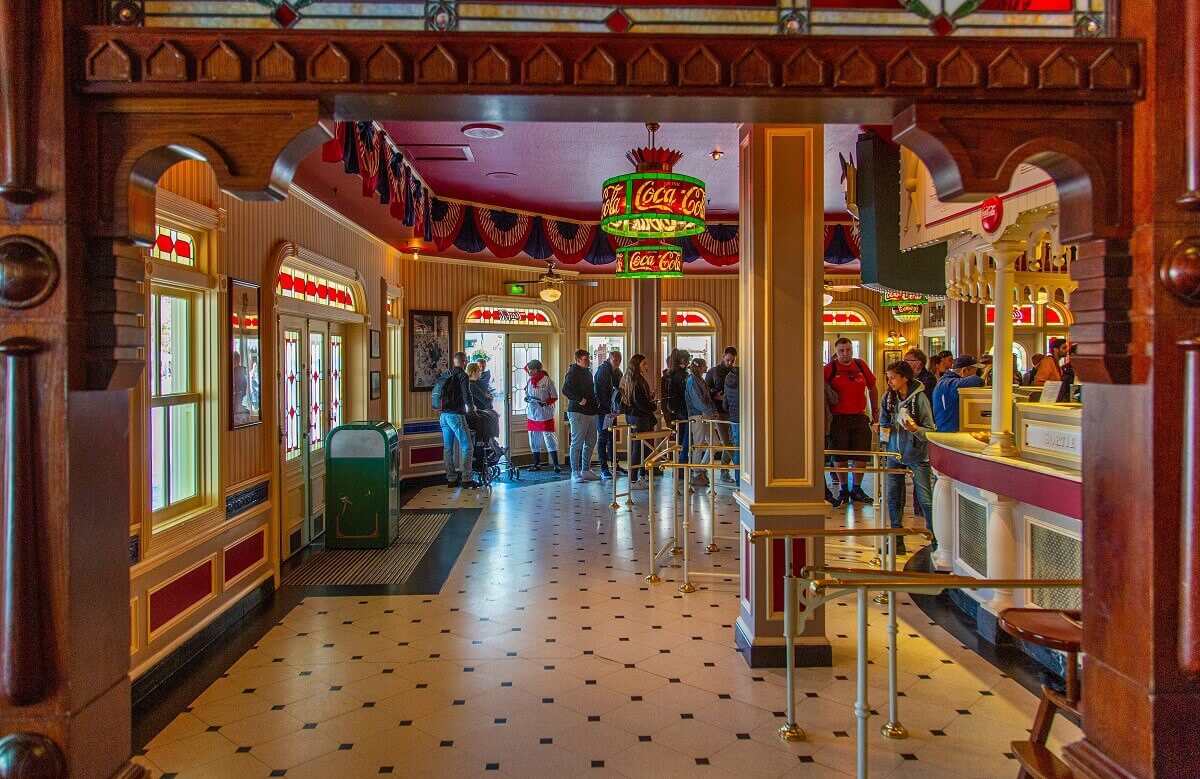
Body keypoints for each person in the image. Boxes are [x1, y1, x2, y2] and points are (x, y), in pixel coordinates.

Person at [879, 360, 936, 555]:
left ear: (905, 378)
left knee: (925, 498)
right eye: (888, 378)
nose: (890, 382)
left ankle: (935, 538)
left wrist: (914, 429)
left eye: (893, 378)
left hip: (917, 455)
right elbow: (884, 422)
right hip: (894, 453)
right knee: (893, 498)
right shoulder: (888, 398)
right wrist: (883, 432)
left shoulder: (919, 400)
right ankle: (897, 540)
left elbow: (930, 430)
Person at [824, 338, 880, 505]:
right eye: (842, 350)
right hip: (838, 418)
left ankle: (857, 488)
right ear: (836, 352)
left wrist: (875, 410)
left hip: (859, 416)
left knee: (861, 454)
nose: (846, 353)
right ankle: (843, 488)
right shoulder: (830, 369)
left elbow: (872, 387)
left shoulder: (860, 365)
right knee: (839, 455)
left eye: (848, 349)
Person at [562, 349, 601, 483]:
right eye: (585, 359)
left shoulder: (588, 373)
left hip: (591, 411)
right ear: (578, 360)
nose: (588, 361)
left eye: (588, 358)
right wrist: (579, 399)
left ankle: (586, 469)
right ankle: (575, 472)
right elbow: (565, 390)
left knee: (590, 442)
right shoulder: (572, 373)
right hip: (578, 411)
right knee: (577, 443)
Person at [619, 353, 658, 485]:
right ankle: (636, 478)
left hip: (633, 417)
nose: (646, 366)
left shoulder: (628, 379)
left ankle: (639, 476)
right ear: (637, 366)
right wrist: (653, 405)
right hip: (640, 418)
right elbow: (641, 403)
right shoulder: (637, 381)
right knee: (641, 448)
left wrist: (649, 397)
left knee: (639, 448)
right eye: (644, 364)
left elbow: (637, 400)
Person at [437, 352, 474, 489]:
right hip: (456, 416)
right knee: (467, 446)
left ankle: (451, 479)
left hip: (443, 416)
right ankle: (466, 478)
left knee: (448, 448)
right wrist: (471, 407)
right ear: (464, 362)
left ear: (454, 362)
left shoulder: (447, 375)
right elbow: (466, 395)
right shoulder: (462, 375)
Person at [685, 357, 719, 486]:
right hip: (696, 415)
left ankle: (701, 467)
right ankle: (696, 473)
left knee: (714, 442)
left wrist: (712, 411)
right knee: (698, 444)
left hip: (703, 415)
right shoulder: (693, 381)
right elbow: (698, 401)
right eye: (704, 365)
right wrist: (711, 411)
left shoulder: (699, 380)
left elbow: (706, 399)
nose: (706, 367)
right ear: (700, 367)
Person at [705, 346, 737, 482]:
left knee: (733, 442)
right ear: (723, 356)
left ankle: (725, 470)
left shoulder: (736, 371)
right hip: (719, 412)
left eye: (732, 361)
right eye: (728, 360)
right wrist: (714, 395)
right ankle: (724, 471)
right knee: (727, 442)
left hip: (733, 411)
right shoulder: (713, 372)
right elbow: (706, 391)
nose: (730, 363)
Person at [523, 359, 560, 473]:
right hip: (532, 414)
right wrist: (527, 398)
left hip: (545, 414)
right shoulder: (529, 381)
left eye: (530, 369)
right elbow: (528, 394)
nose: (528, 371)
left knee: (549, 437)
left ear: (535, 370)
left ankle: (555, 464)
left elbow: (554, 396)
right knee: (534, 438)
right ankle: (536, 463)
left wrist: (545, 403)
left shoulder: (547, 381)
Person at [932, 355, 986, 433]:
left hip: (947, 430)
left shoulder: (945, 381)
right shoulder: (949, 384)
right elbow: (978, 381)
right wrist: (986, 372)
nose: (977, 374)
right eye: (975, 372)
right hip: (949, 433)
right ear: (964, 371)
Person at [593, 350, 624, 480]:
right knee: (603, 438)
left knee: (612, 438)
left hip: (612, 411)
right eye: (615, 360)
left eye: (619, 360)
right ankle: (604, 468)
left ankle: (615, 465)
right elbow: (599, 392)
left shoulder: (617, 372)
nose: (617, 363)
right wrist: (605, 408)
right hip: (603, 411)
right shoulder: (602, 372)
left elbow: (620, 388)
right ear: (610, 359)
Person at [467, 362, 503, 454]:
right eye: (479, 370)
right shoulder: (472, 385)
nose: (481, 372)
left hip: (480, 411)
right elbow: (485, 399)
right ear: (474, 372)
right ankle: (495, 450)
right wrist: (490, 397)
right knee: (491, 420)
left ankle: (496, 449)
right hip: (479, 412)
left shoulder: (475, 383)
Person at [664, 349, 691, 469]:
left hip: (674, 410)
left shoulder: (670, 374)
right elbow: (686, 394)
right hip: (684, 409)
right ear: (684, 360)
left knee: (679, 440)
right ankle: (682, 467)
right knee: (686, 440)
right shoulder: (683, 375)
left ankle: (679, 467)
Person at [723, 365, 740, 484]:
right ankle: (744, 481)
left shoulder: (727, 380)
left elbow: (725, 403)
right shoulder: (744, 380)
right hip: (745, 417)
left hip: (734, 417)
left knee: (737, 448)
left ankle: (739, 479)